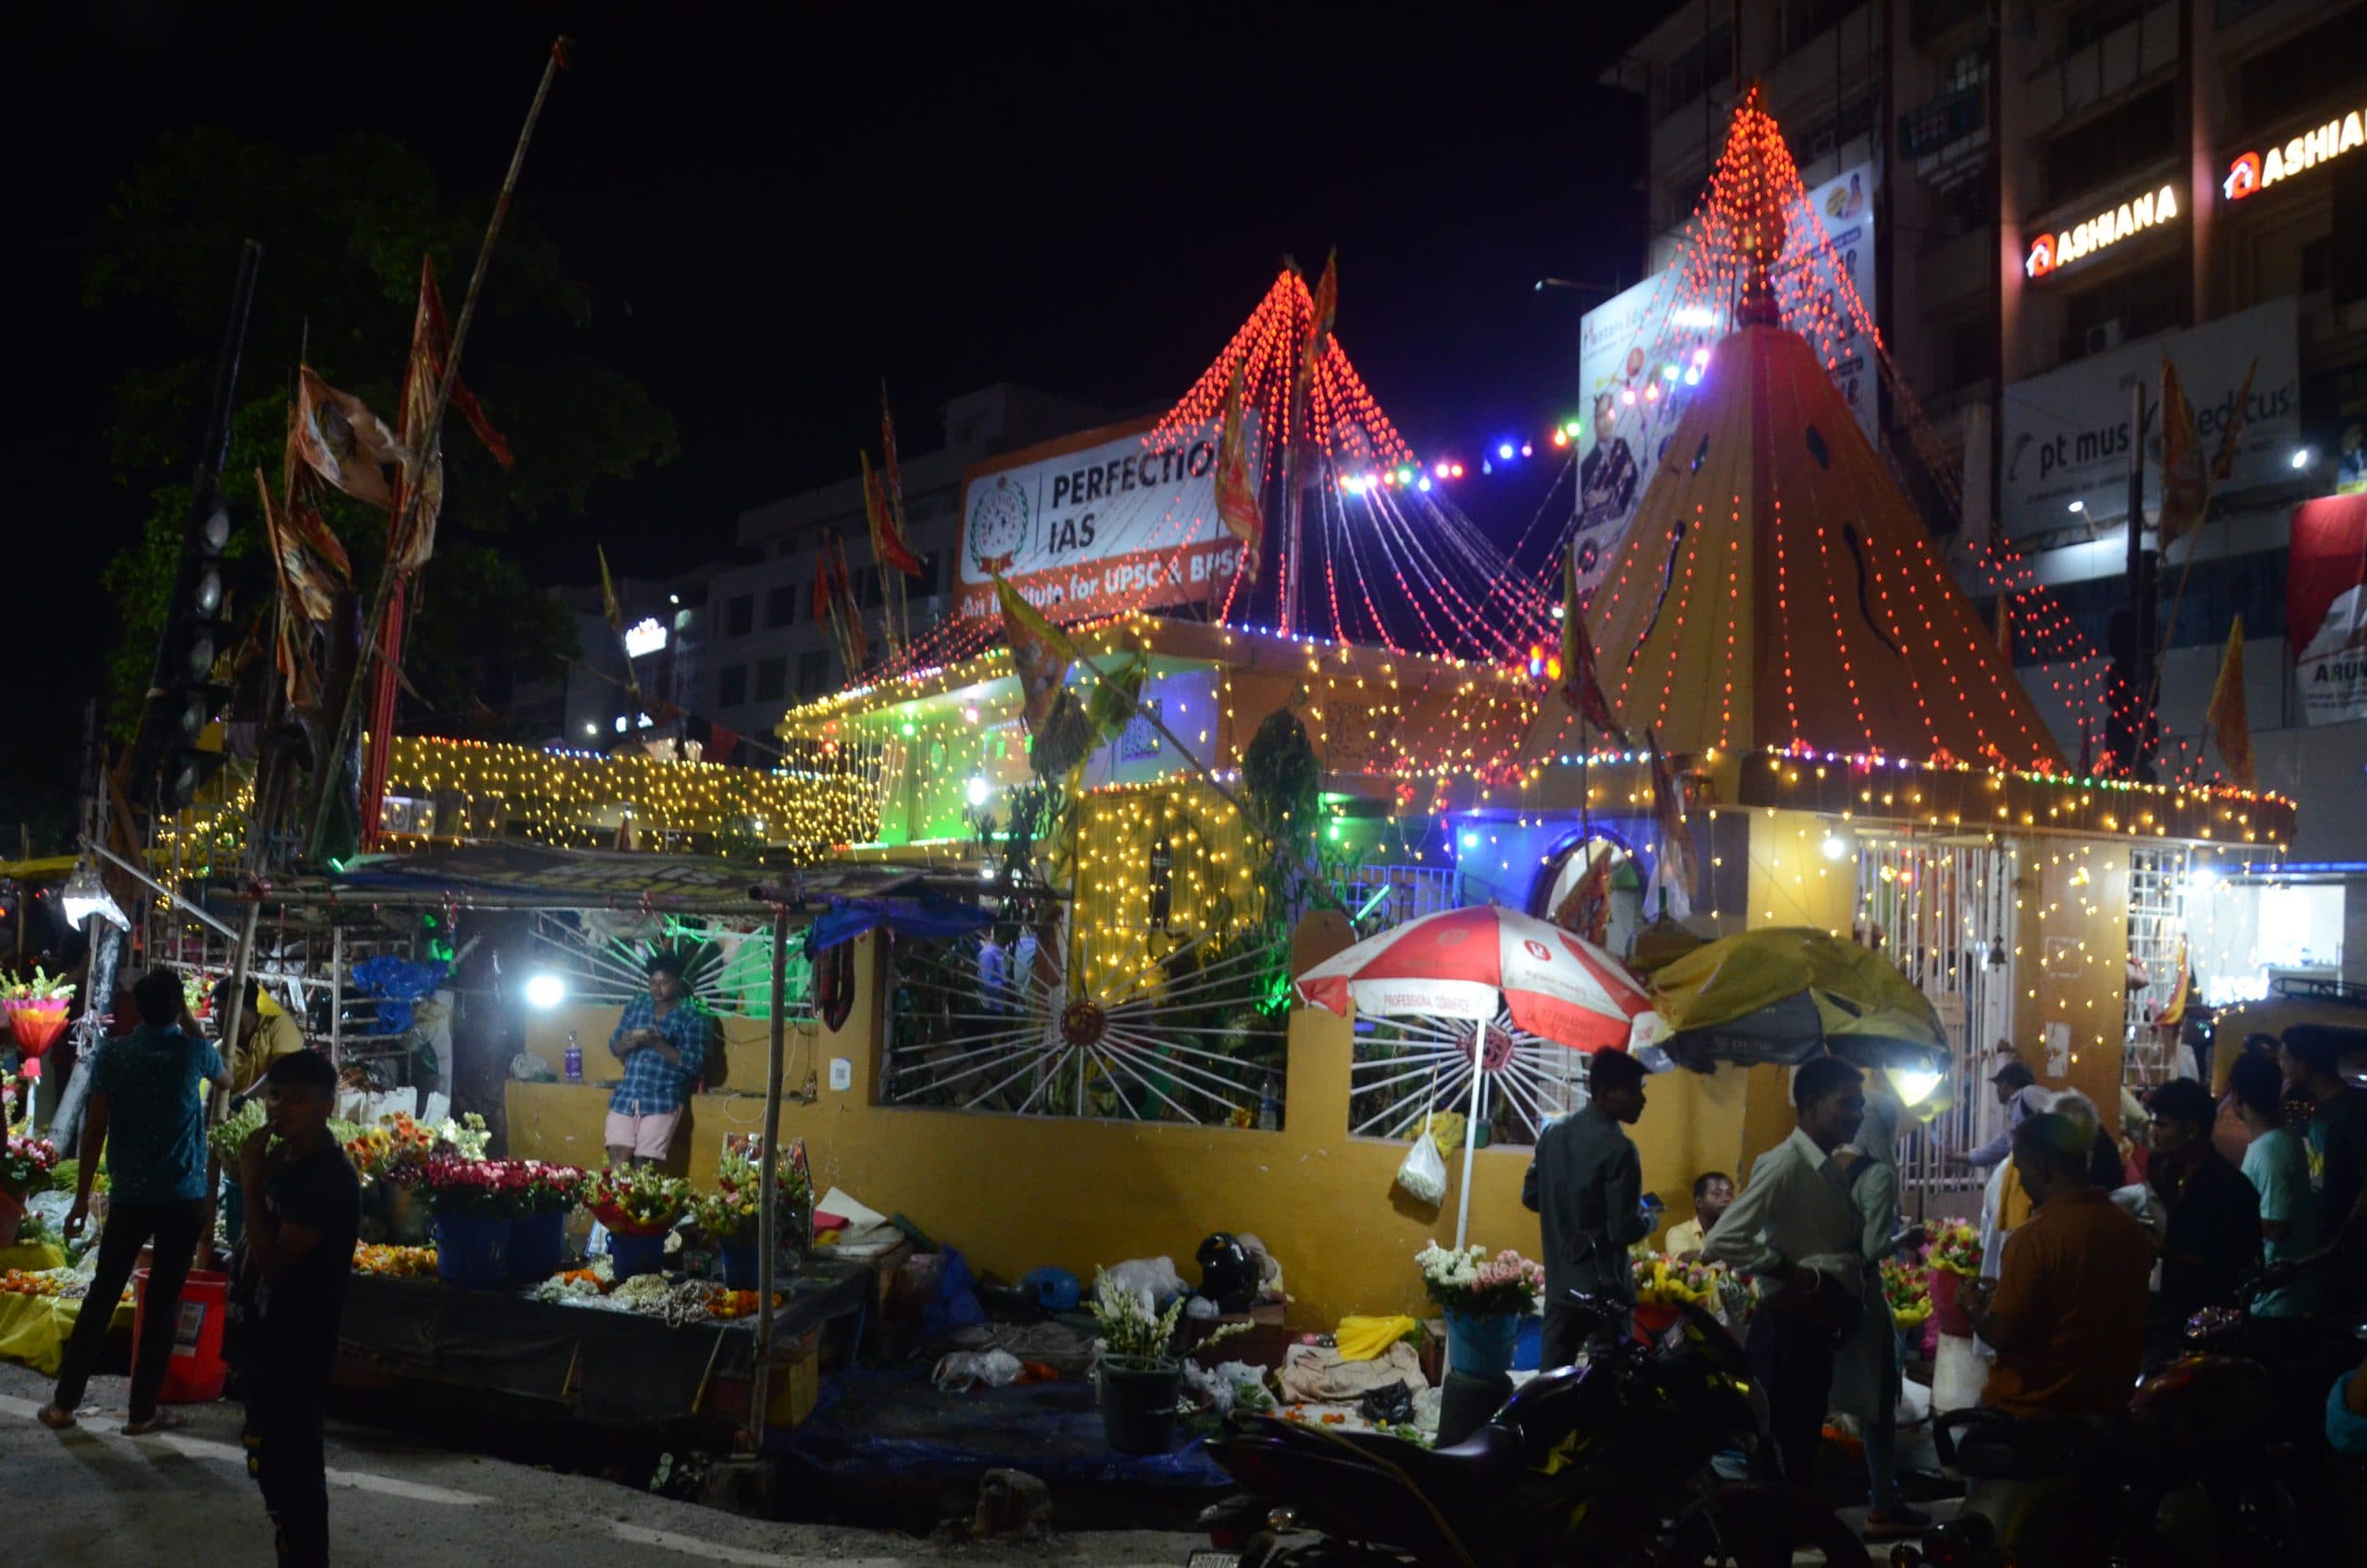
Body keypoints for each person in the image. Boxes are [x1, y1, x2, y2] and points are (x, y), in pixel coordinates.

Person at [35, 968, 231, 1434]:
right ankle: (142, 1411)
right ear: (178, 1007)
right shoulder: (194, 1052)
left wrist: (83, 1198)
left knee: (102, 1296)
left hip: (130, 1198)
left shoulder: (115, 1055)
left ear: (136, 1010)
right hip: (184, 1197)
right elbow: (228, 1079)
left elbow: (95, 1128)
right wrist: (189, 1022)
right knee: (163, 1305)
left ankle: (64, 1404)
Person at [1704, 1055, 1867, 1488]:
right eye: (1846, 1104)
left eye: (1861, 1103)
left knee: (1799, 1452)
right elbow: (1723, 1240)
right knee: (1779, 1453)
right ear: (1810, 1106)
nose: (1858, 1114)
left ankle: (1785, 1533)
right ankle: (1769, 1540)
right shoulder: (1785, 1163)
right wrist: (1792, 1273)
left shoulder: (1830, 1168)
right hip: (1785, 1332)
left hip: (1813, 1333)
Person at [234, 1049, 361, 1568]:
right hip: (270, 1335)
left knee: (294, 1472)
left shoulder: (326, 1179)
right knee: (269, 1459)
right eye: (276, 1097)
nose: (281, 1109)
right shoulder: (292, 1163)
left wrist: (247, 1182)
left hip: (299, 1340)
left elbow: (272, 1262)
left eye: (298, 1099)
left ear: (328, 1106)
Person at [1960, 1113, 2154, 1419]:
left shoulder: (2035, 1238)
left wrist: (1971, 1306)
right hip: (2109, 1405)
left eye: (2021, 1171)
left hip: (2035, 1412)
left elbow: (2003, 1335)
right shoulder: (2129, 1228)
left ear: (2041, 1169)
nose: (2021, 1182)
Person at [1832, 1083, 1930, 1538]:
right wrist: (1902, 1241)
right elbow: (1871, 1249)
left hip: (1821, 1294)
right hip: (1863, 1296)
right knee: (1880, 1401)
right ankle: (1882, 1500)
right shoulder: (1877, 1173)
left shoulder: (1826, 1165)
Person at [1522, 1047, 1654, 1366]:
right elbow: (1622, 1229)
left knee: (1550, 1382)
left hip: (1560, 1285)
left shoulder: (1553, 1135)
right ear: (1607, 1094)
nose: (1642, 1100)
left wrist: (1565, 1209)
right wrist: (1649, 1219)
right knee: (1609, 1381)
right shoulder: (1620, 1150)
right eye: (1634, 1090)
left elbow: (1531, 1196)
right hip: (1605, 1293)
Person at [2144, 1076, 2262, 1342]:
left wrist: (2168, 1252)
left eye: (2162, 1125)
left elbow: (2241, 1268)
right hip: (2172, 1316)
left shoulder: (2231, 1188)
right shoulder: (2167, 1171)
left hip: (2214, 1328)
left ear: (2192, 1130)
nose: (2154, 1132)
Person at [2280, 1024, 2367, 1314]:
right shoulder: (2317, 1107)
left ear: (2303, 1065)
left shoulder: (2354, 1110)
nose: (2282, 1067)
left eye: (2285, 1059)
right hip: (2321, 1245)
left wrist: (2342, 1239)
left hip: (2344, 1253)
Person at [2226, 1052, 2320, 1319]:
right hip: (2278, 1298)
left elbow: (2277, 1225)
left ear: (2238, 1097)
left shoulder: (2269, 1151)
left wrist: (2225, 1222)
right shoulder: (2284, 1138)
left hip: (2275, 1304)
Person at [604, 951, 708, 1168]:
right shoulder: (637, 1006)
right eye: (652, 982)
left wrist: (659, 1044)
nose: (657, 989)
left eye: (664, 983)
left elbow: (695, 1063)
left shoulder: (691, 1016)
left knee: (645, 1163)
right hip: (627, 1096)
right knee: (617, 1156)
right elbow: (614, 1045)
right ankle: (614, 1202)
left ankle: (641, 1201)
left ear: (678, 982)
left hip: (663, 1098)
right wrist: (627, 1042)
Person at [215, 975, 309, 1095]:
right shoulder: (222, 1048)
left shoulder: (278, 1025)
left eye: (216, 1008)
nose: (215, 1015)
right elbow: (212, 1093)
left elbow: (281, 1074)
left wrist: (241, 1101)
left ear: (236, 1008)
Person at [1954, 1059, 2039, 1170]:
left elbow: (2059, 1108)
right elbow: (1992, 1152)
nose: (1997, 1091)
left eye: (1997, 1086)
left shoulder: (2029, 1093)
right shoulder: (2015, 1116)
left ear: (2004, 1084)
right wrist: (1954, 1157)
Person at [1663, 1170, 1734, 1258]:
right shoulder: (1678, 1232)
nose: (1726, 1199)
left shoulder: (1737, 1232)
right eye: (1717, 1194)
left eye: (1729, 1194)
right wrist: (1725, 1252)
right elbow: (1681, 1260)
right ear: (1699, 1202)